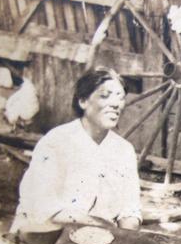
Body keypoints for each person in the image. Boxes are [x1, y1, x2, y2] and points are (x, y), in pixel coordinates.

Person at [10, 67, 142, 233]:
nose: (115, 104)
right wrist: (104, 227)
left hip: (99, 240)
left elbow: (130, 210)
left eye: (120, 98)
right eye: (104, 96)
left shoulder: (124, 151)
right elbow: (44, 208)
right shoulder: (56, 142)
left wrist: (126, 237)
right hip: (44, 235)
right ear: (83, 101)